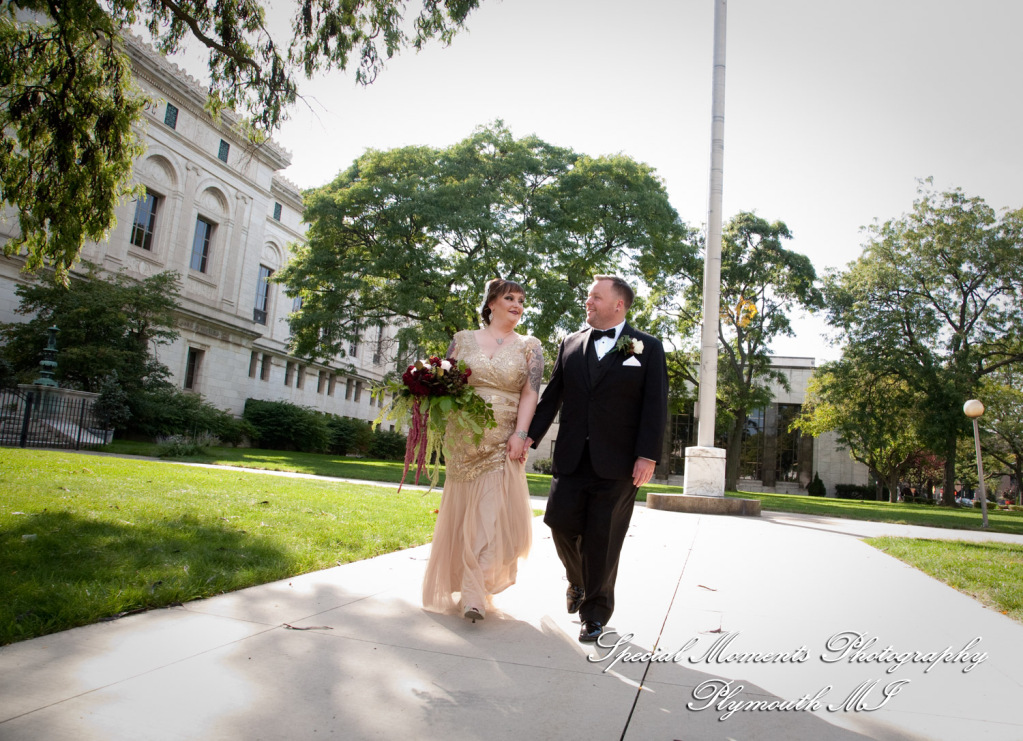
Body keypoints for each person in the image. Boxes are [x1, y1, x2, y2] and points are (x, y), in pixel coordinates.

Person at [525, 275, 668, 643]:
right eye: (588, 296)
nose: (587, 302)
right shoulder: (570, 343)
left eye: (595, 297)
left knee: (603, 539)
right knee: (559, 525)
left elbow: (655, 407)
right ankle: (578, 581)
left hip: (619, 463)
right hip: (572, 456)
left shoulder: (647, 348)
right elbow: (552, 394)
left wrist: (647, 455)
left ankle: (595, 613)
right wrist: (528, 436)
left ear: (618, 305)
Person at [422, 278, 544, 623]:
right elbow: (444, 382)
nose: (517, 305)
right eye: (510, 298)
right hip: (463, 437)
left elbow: (530, 394)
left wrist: (521, 433)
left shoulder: (530, 346)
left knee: (488, 513)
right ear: (490, 303)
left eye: (522, 300)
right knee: (465, 512)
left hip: (503, 438)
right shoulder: (461, 340)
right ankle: (466, 585)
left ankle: (474, 596)